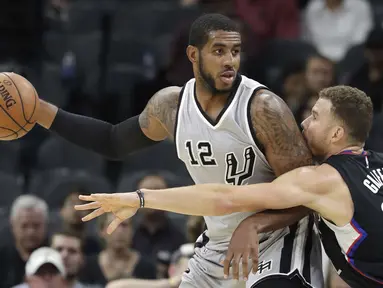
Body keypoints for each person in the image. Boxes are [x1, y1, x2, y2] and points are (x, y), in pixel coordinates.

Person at [36, 13, 323, 287]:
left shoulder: (264, 109)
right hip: (220, 240)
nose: (230, 61)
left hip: (278, 238)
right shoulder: (170, 107)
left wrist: (256, 225)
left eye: (235, 51)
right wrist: (38, 110)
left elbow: (307, 193)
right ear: (193, 55)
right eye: (219, 51)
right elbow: (112, 141)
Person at [76, 86, 383, 288]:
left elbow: (224, 197)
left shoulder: (323, 180)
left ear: (337, 133)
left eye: (315, 117)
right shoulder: (378, 162)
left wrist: (141, 198)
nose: (303, 123)